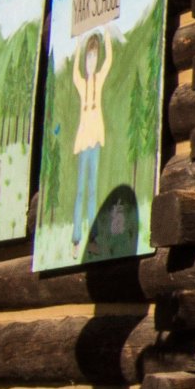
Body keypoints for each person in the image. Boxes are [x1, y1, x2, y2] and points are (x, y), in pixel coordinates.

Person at [70, 31, 112, 245]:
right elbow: (75, 73)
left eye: (94, 57)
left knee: (93, 188)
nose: (91, 61)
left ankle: (93, 237)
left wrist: (106, 33)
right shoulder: (82, 83)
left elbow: (109, 61)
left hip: (95, 139)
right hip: (83, 141)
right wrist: (78, 47)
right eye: (89, 57)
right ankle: (77, 237)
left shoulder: (99, 80)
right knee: (80, 190)